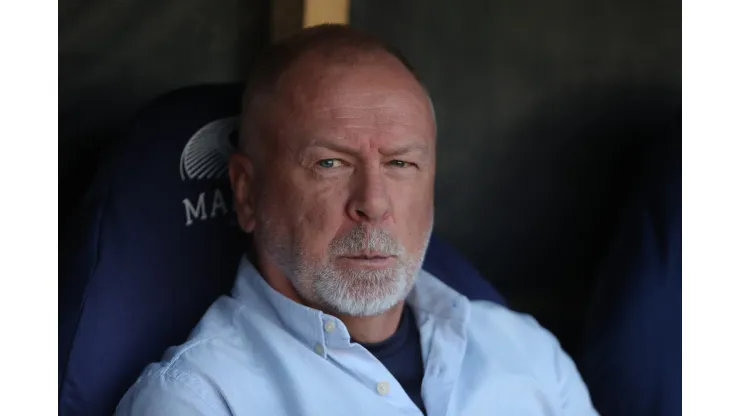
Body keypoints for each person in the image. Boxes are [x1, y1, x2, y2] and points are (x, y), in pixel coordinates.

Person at [115, 24, 597, 416]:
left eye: (401, 164)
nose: (374, 202)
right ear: (246, 193)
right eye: (331, 163)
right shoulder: (200, 400)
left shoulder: (529, 353)